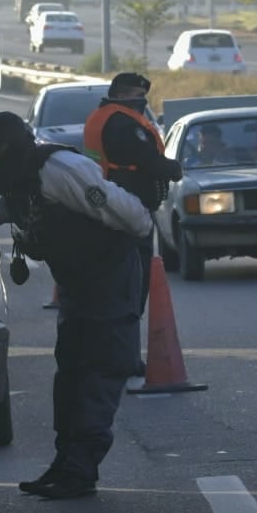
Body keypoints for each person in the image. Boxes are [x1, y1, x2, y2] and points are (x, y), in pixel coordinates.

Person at [0, 110, 152, 500]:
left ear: (10, 148)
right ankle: (65, 461)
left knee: (98, 372)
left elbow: (132, 216)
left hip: (108, 281)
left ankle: (81, 470)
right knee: (70, 373)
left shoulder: (61, 170)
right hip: (77, 285)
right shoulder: (19, 182)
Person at [82, 71, 183, 371]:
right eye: (138, 97)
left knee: (120, 287)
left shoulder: (102, 117)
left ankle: (115, 354)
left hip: (110, 206)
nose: (142, 103)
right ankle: (124, 358)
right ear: (125, 96)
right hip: (125, 210)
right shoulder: (122, 124)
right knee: (131, 289)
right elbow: (146, 159)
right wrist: (172, 168)